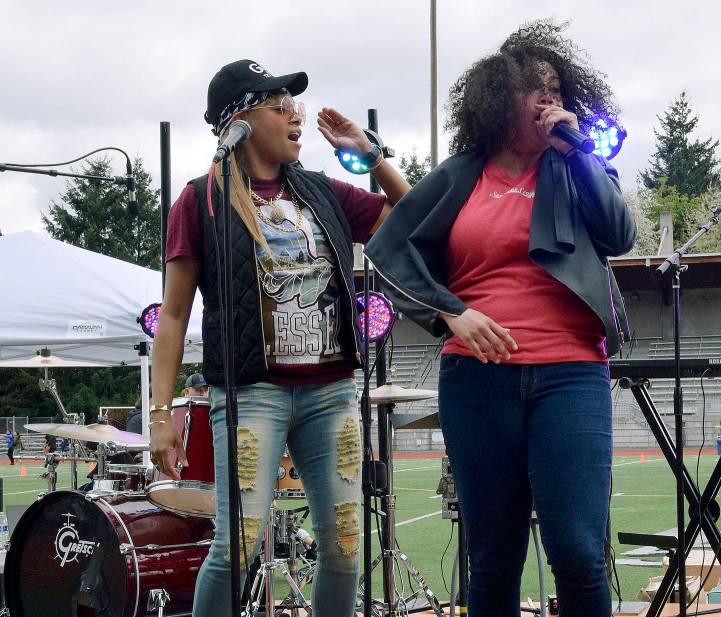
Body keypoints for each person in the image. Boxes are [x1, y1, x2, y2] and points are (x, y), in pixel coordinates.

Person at [366, 20, 633, 617]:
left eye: (559, 92)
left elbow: (618, 233)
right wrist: (451, 313)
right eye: (537, 90)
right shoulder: (462, 174)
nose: (551, 102)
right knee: (491, 555)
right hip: (476, 378)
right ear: (499, 100)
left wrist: (578, 149)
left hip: (571, 373)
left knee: (579, 549)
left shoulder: (577, 165)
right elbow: (390, 251)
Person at [149, 58, 410, 615]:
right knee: (238, 546)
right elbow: (172, 317)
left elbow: (411, 212)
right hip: (251, 394)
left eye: (295, 105)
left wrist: (372, 156)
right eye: (280, 106)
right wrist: (159, 414)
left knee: (343, 547)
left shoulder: (322, 192)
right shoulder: (201, 201)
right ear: (239, 122)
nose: (297, 116)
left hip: (331, 391)